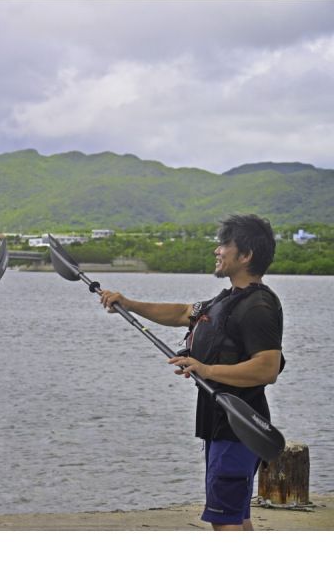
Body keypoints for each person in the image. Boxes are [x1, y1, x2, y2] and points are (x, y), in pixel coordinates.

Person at [98, 214, 283, 531]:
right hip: (223, 427)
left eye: (225, 244)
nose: (217, 250)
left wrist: (206, 368)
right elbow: (185, 313)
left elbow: (267, 368)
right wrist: (128, 303)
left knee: (226, 525)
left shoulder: (258, 307)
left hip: (238, 427)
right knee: (237, 517)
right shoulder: (228, 299)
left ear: (246, 255)